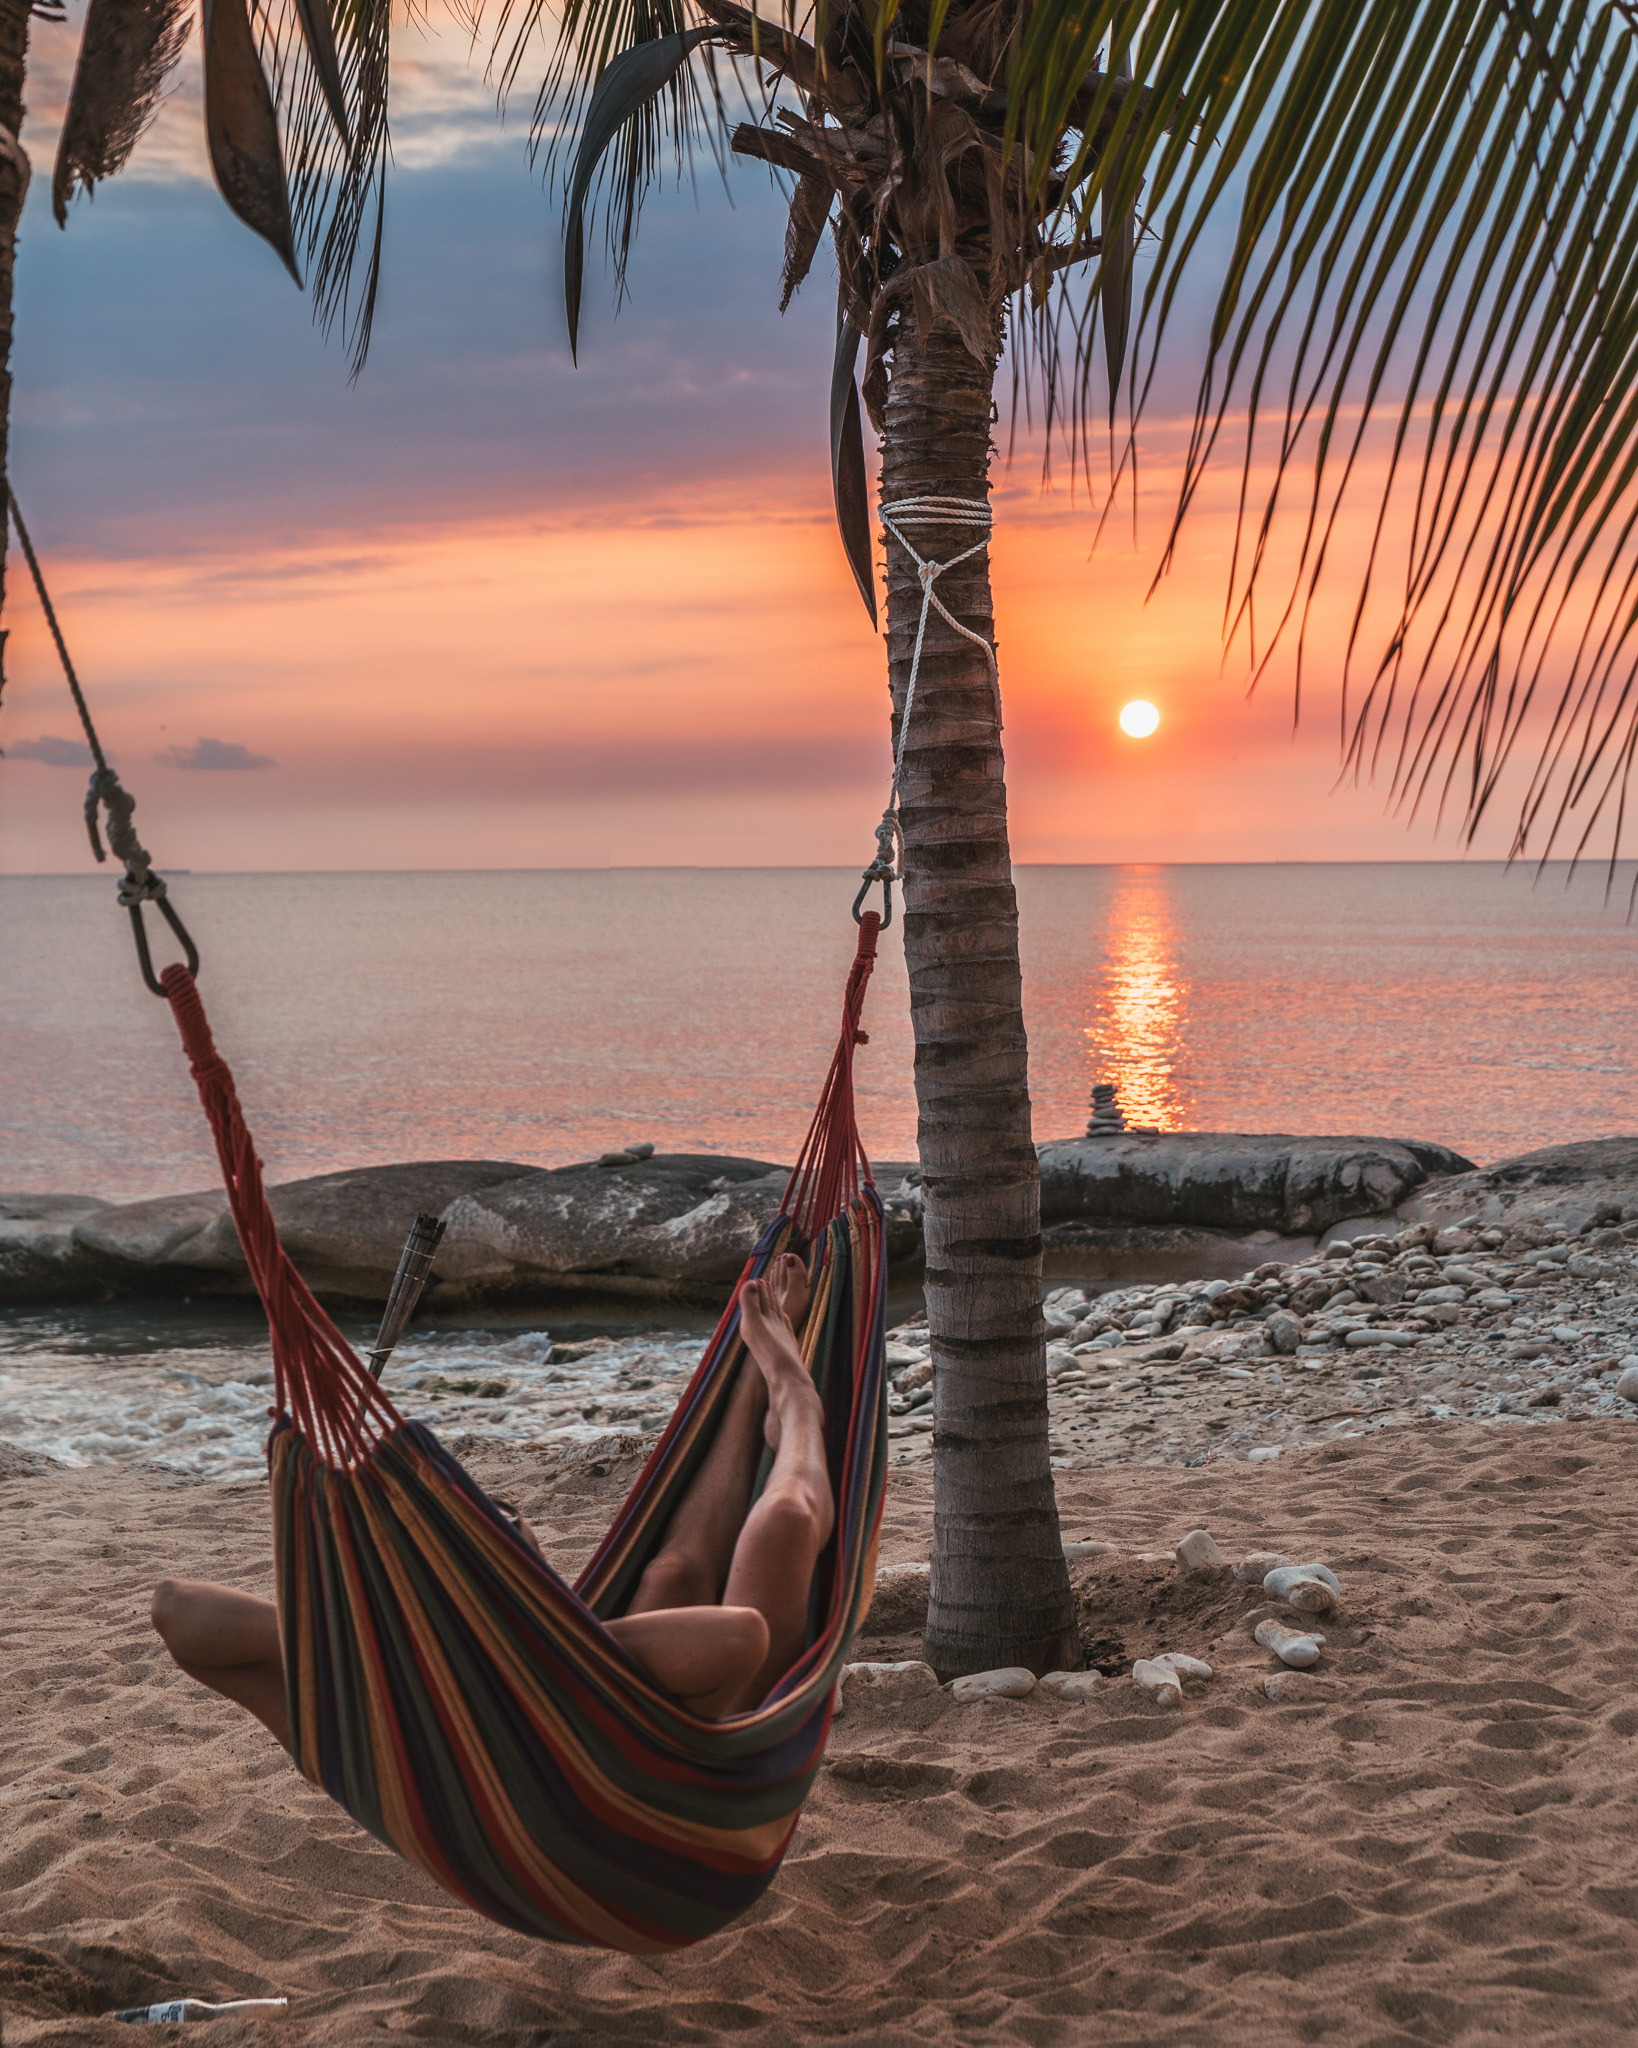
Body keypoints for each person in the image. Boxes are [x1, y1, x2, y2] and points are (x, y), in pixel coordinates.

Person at [149, 1251, 834, 1739]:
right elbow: (739, 1638)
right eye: (506, 1525)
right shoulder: (406, 1730)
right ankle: (795, 1398)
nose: (517, 1517)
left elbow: (175, 1609)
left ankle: (751, 1387)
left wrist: (379, 1644)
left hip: (560, 1672)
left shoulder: (368, 1697)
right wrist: (507, 1648)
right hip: (689, 1760)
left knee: (671, 1569)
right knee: (779, 1522)